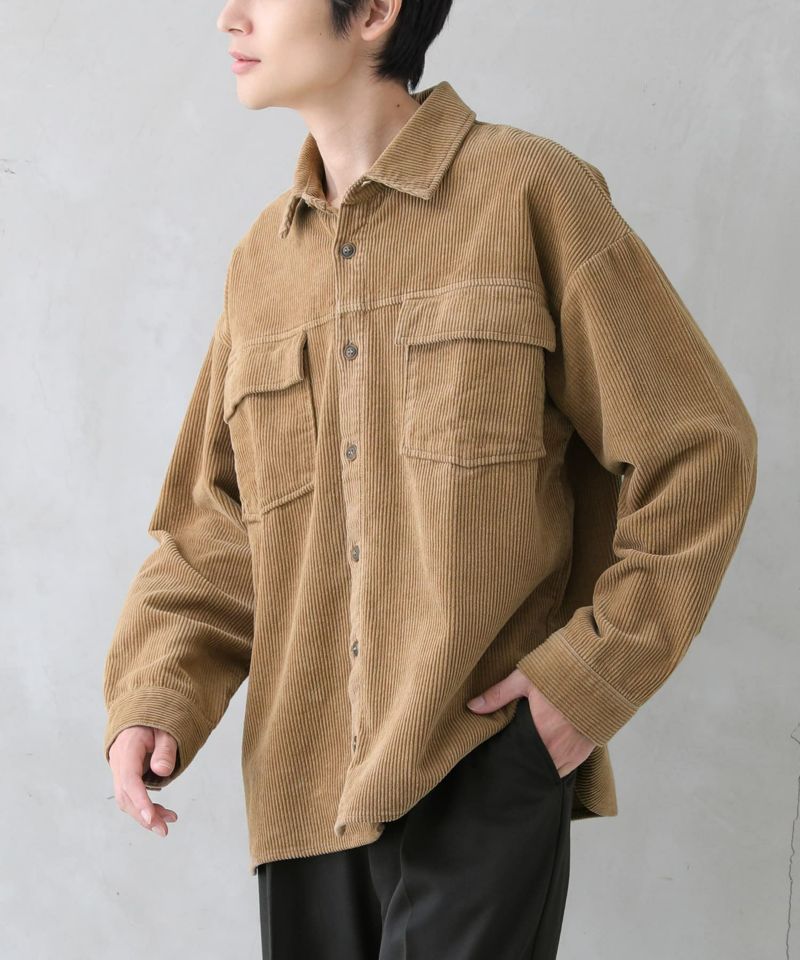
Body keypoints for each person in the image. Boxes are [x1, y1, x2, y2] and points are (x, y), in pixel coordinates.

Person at [102, 1, 759, 957]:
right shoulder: (261, 267)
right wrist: (155, 694)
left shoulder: (531, 193)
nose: (228, 17)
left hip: (480, 760)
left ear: (374, 10)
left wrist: (588, 681)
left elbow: (699, 448)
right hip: (300, 793)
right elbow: (217, 528)